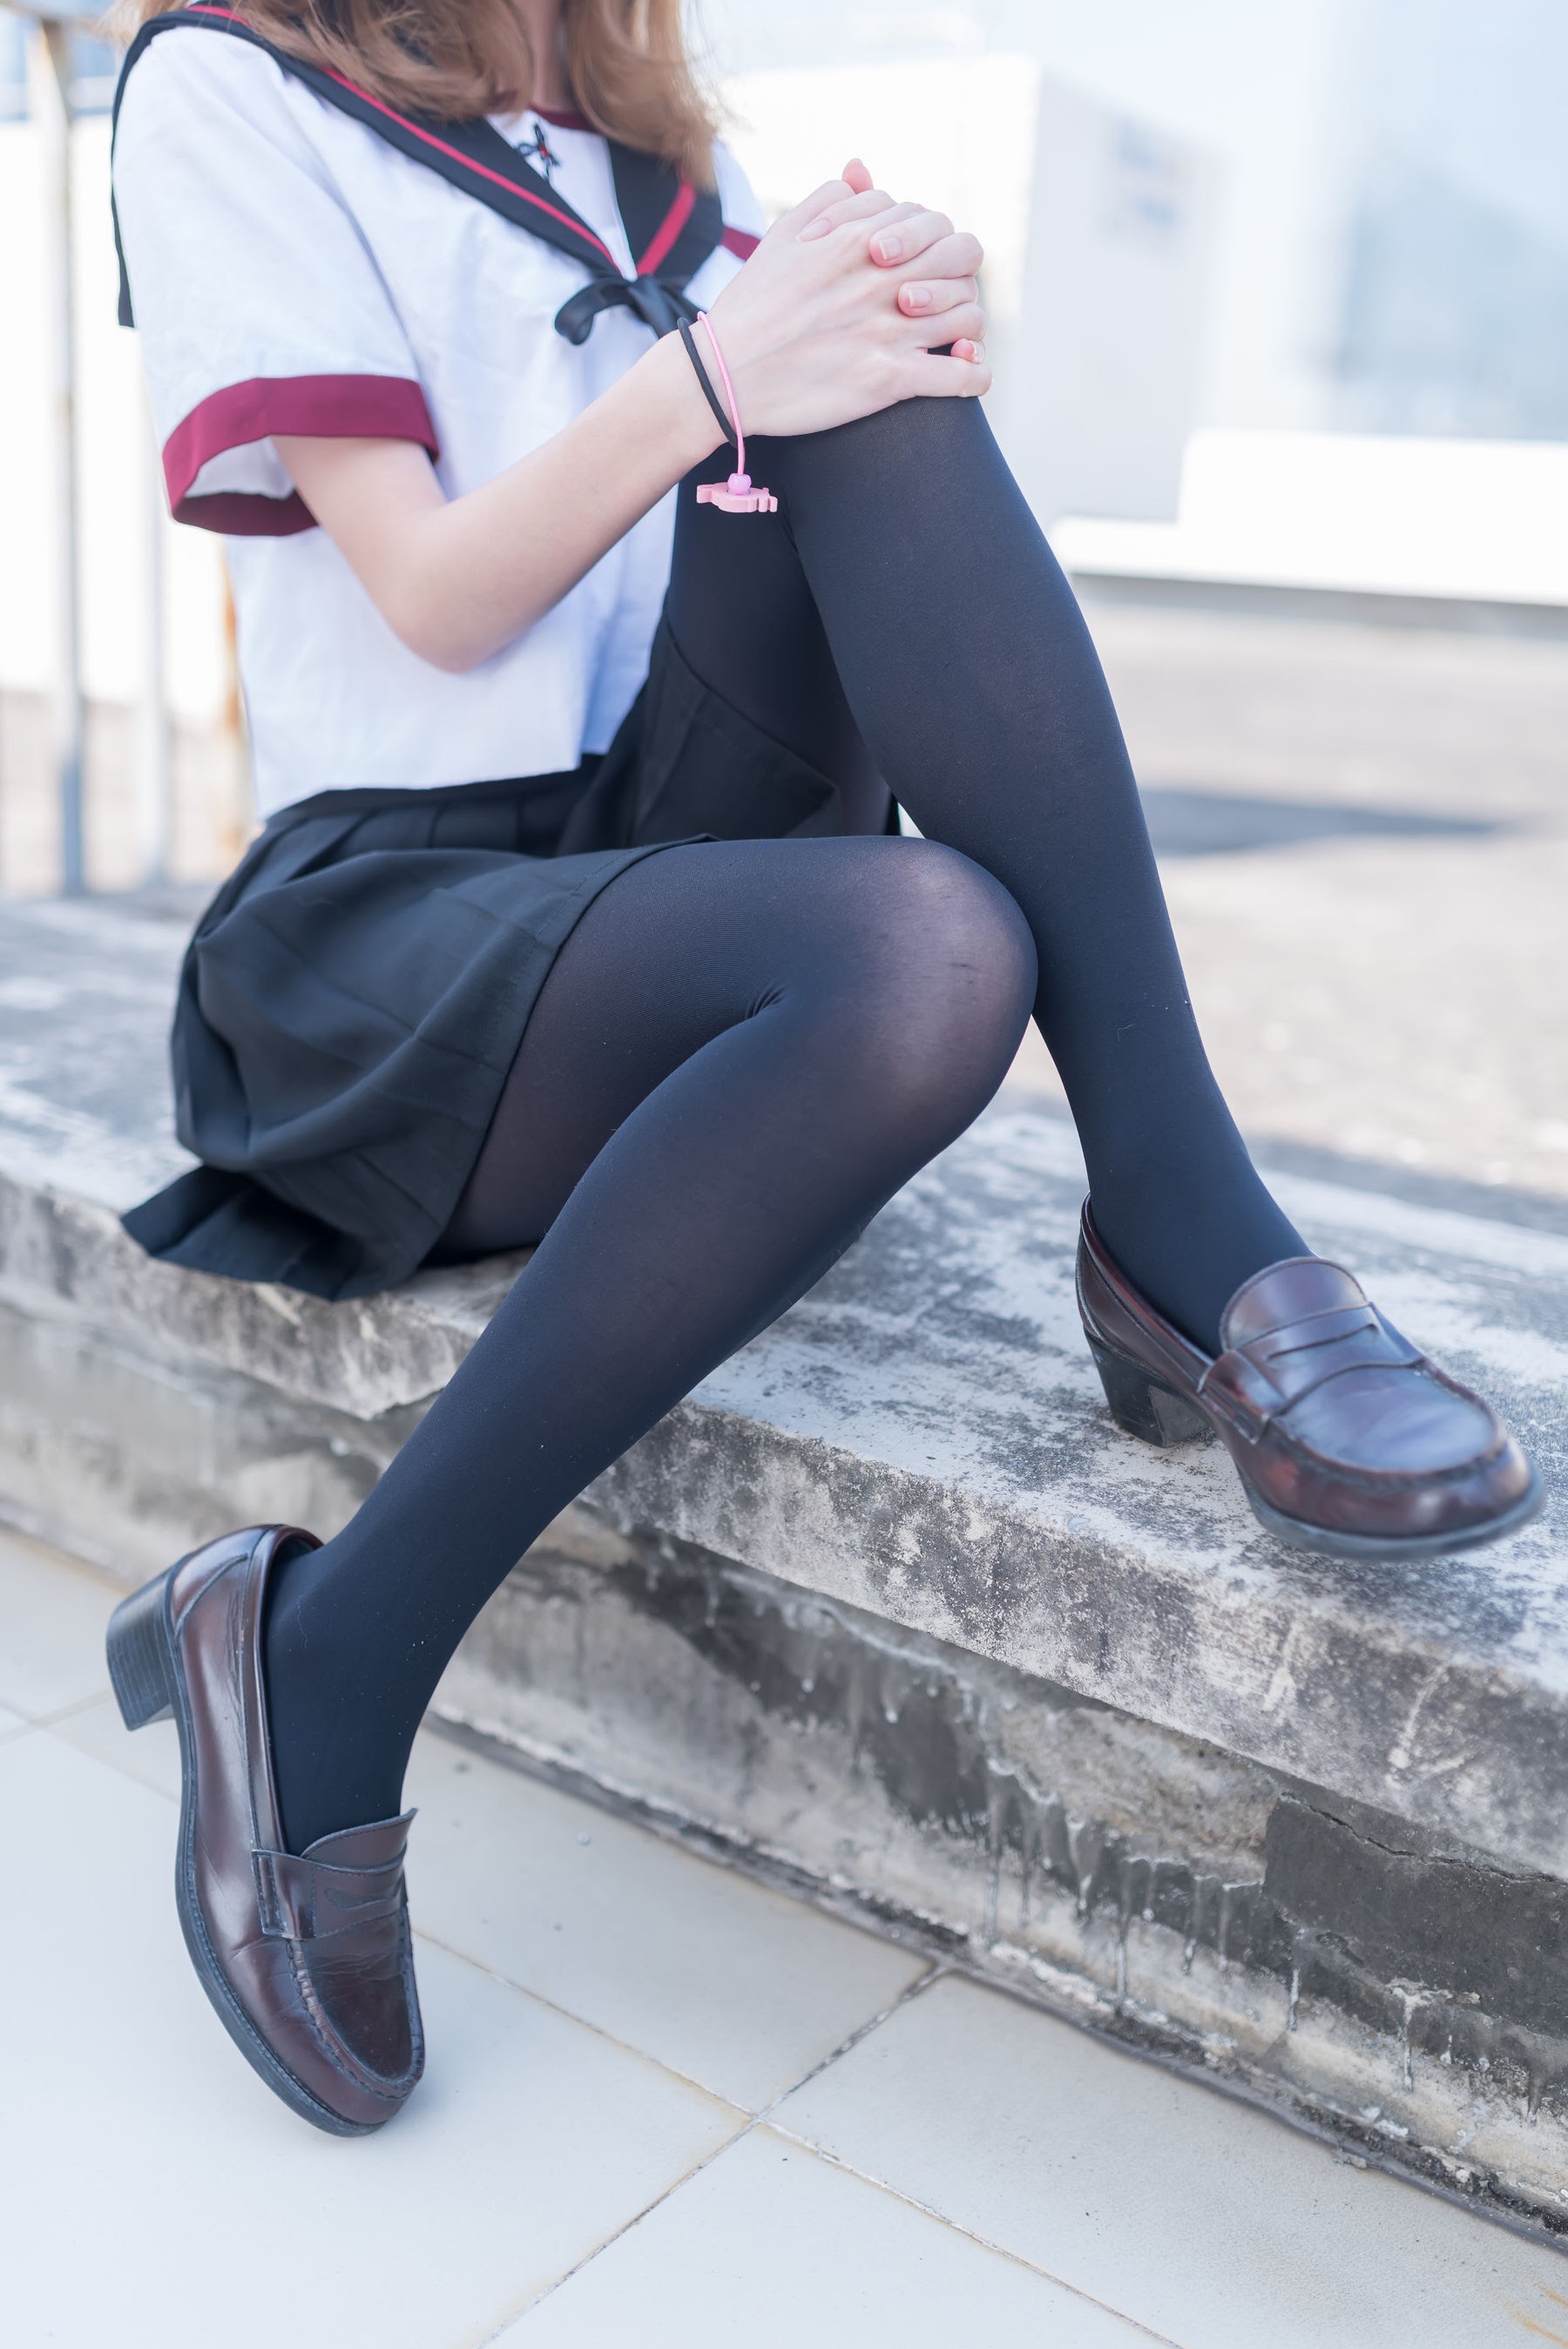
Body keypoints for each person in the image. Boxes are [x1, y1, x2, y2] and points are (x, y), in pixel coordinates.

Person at [103, 0, 1538, 2139]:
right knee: (932, 949)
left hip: (657, 863)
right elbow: (430, 597)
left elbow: (801, 487)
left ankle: (1186, 1218)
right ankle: (321, 1657)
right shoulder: (230, 80)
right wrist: (717, 373)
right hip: (392, 933)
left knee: (869, 389)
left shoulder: (664, 153)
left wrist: (881, 324)